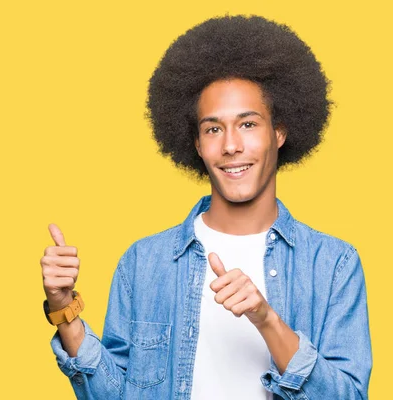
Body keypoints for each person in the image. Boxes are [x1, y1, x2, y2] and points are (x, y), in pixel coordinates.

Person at [39, 15, 372, 400]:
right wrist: (65, 311)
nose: (231, 145)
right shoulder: (145, 262)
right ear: (197, 144)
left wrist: (267, 321)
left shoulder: (333, 265)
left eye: (248, 124)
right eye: (213, 129)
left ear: (279, 132)